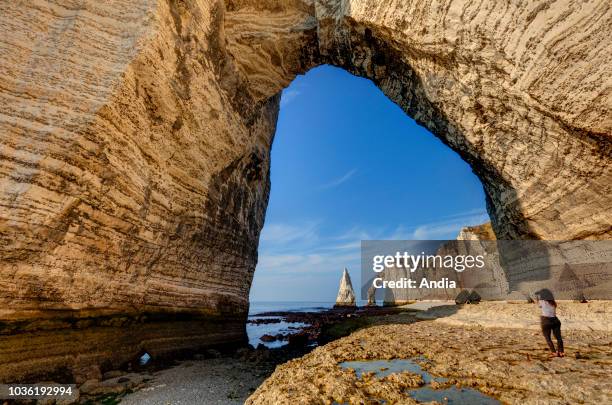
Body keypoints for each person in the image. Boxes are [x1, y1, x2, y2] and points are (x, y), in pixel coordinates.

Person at [535, 289, 564, 357]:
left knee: (548, 338)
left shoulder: (542, 301)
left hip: (546, 320)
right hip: (555, 320)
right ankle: (561, 352)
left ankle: (554, 352)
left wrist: (537, 296)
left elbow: (538, 304)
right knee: (559, 338)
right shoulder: (553, 302)